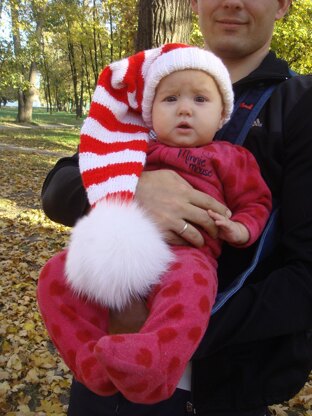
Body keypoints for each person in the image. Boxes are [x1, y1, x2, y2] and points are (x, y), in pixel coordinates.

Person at [39, 0, 312, 415]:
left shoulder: (298, 104)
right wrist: (132, 190)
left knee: (190, 279)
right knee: (55, 277)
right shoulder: (152, 84)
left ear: (282, 6)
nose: (232, 2)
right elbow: (60, 186)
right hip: (105, 378)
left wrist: (159, 323)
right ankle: (89, 357)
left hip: (224, 387)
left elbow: (304, 274)